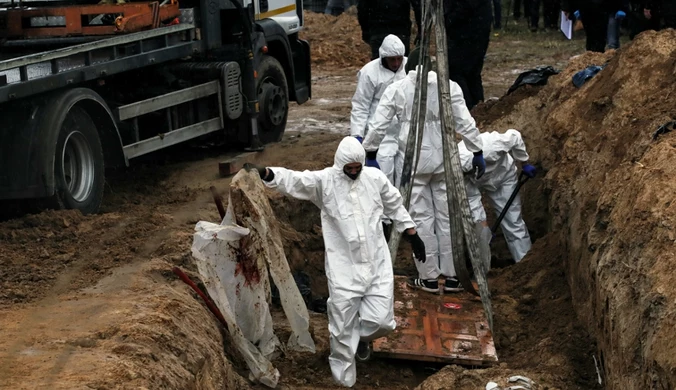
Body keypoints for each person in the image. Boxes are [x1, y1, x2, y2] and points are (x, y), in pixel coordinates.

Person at [245, 137, 426, 388]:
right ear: (339, 164)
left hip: (376, 263)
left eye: (357, 168)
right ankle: (343, 381)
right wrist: (267, 173)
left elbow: (394, 203)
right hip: (343, 267)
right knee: (341, 330)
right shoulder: (325, 182)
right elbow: (296, 180)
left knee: (382, 323)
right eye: (348, 169)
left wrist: (411, 232)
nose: (353, 173)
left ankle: (361, 339)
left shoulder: (374, 179)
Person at [363, 49, 486, 294]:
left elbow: (378, 124)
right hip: (443, 158)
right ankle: (453, 276)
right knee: (447, 217)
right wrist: (477, 150)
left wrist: (371, 152)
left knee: (420, 218)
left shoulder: (398, 88)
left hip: (413, 161)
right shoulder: (448, 87)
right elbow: (464, 121)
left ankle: (428, 277)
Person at [458, 129, 536, 263]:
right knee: (479, 230)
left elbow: (515, 136)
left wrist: (524, 163)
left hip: (504, 177)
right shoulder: (459, 169)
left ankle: (525, 263)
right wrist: (484, 230)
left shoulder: (492, 145)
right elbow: (472, 201)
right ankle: (483, 269)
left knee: (513, 221)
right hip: (477, 182)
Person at [350, 34, 407, 184]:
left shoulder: (409, 68)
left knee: (405, 178)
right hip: (381, 135)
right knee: (383, 179)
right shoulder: (369, 72)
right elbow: (361, 106)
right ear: (383, 57)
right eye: (392, 59)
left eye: (399, 59)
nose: (396, 63)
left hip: (404, 132)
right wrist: (357, 135)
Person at [444, 0, 493, 110]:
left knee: (458, 72)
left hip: (467, 32)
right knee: (472, 74)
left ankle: (468, 110)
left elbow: (464, 8)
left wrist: (448, 19)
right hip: (475, 29)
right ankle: (478, 109)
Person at [357, 0, 422, 59]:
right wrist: (420, 29)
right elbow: (417, 6)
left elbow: (362, 9)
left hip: (378, 30)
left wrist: (366, 31)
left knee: (379, 64)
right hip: (400, 29)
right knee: (400, 64)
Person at [562, 0, 629, 52]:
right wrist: (569, 7)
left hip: (611, 8)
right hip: (588, 8)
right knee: (593, 40)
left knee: (612, 42)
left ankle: (613, 64)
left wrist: (623, 7)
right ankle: (595, 62)